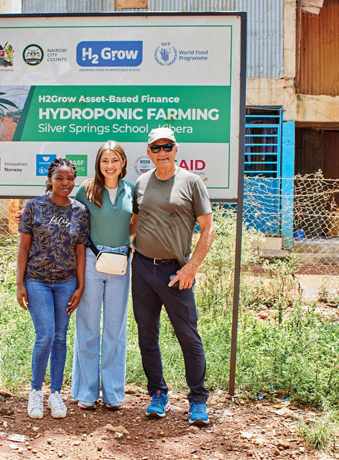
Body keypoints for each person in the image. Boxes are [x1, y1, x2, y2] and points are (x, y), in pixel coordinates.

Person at [131, 127, 216, 426]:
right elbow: (134, 224)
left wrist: (191, 267)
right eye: (156, 148)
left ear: (176, 149)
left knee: (188, 337)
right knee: (147, 335)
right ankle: (158, 394)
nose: (162, 152)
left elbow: (208, 228)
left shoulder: (191, 183)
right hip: (141, 268)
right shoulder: (141, 183)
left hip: (175, 272)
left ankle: (197, 400)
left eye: (167, 146)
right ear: (149, 152)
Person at [17, 158, 90, 419]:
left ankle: (56, 394)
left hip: (66, 282)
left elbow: (80, 251)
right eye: (60, 178)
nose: (65, 183)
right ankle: (36, 392)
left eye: (69, 178)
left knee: (60, 338)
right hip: (36, 280)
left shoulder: (80, 211)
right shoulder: (33, 207)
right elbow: (24, 247)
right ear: (50, 179)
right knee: (45, 335)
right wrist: (20, 284)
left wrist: (80, 286)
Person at [71, 140, 135, 411]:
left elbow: (136, 224)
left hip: (121, 262)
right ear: (98, 164)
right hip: (91, 261)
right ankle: (85, 392)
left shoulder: (131, 190)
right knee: (86, 327)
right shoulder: (86, 190)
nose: (110, 166)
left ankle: (112, 393)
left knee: (115, 329)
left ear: (123, 163)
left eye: (115, 160)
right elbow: (71, 222)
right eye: (104, 161)